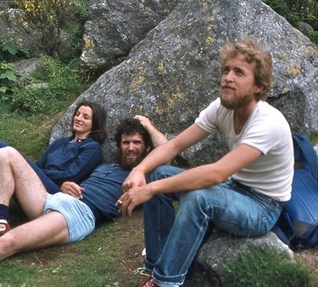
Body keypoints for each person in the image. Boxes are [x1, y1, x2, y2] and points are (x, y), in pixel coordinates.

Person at [118, 37, 294, 287]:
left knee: (198, 197)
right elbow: (175, 145)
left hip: (263, 206)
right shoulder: (223, 107)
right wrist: (140, 170)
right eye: (226, 70)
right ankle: (158, 264)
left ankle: (166, 282)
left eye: (239, 72)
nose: (228, 77)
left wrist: (149, 189)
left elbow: (217, 174)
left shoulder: (268, 123)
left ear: (258, 86)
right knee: (158, 173)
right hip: (235, 189)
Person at [0, 116, 167, 285]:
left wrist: (148, 125)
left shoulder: (146, 172)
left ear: (146, 148)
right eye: (125, 142)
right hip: (56, 198)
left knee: (9, 243)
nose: (130, 147)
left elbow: (167, 152)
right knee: (4, 152)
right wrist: (65, 185)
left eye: (136, 143)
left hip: (79, 215)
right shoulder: (107, 166)